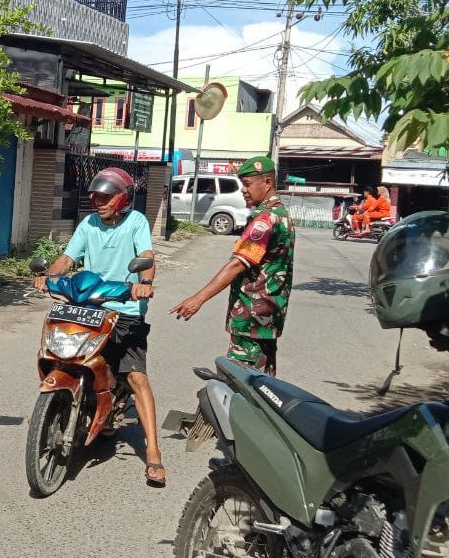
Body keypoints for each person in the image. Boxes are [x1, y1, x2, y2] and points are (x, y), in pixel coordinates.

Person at [33, 167, 165, 486]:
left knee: (136, 377)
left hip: (124, 306)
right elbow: (68, 258)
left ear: (122, 199)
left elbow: (146, 255)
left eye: (106, 197)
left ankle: (154, 455)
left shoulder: (135, 222)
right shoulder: (89, 224)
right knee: (65, 353)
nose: (99, 202)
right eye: (95, 196)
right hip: (88, 304)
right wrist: (50, 275)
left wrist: (144, 282)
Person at [169, 156, 294, 375]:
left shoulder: (265, 220)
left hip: (252, 316)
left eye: (247, 184)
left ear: (267, 183)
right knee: (264, 380)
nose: (243, 190)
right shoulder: (280, 214)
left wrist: (197, 299)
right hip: (267, 314)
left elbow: (237, 265)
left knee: (242, 381)